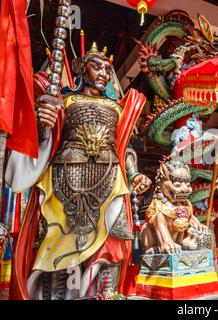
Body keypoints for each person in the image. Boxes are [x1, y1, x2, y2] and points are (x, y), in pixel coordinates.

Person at [6, 43, 151, 300]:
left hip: (109, 175)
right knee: (60, 237)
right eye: (97, 67)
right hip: (67, 176)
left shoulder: (116, 107)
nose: (104, 73)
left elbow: (123, 147)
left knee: (113, 237)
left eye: (107, 69)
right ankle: (57, 294)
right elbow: (47, 138)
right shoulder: (66, 100)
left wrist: (134, 173)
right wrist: (43, 123)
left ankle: (105, 292)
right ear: (81, 70)